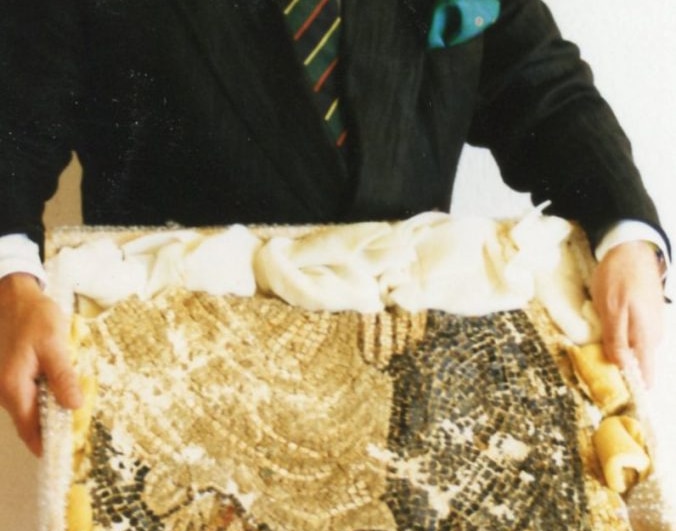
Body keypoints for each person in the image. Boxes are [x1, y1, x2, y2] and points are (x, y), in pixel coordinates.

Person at [0, 0, 668, 462]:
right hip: (181, 390)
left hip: (410, 387)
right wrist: (10, 282)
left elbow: (542, 90)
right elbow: (15, 127)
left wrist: (627, 234)